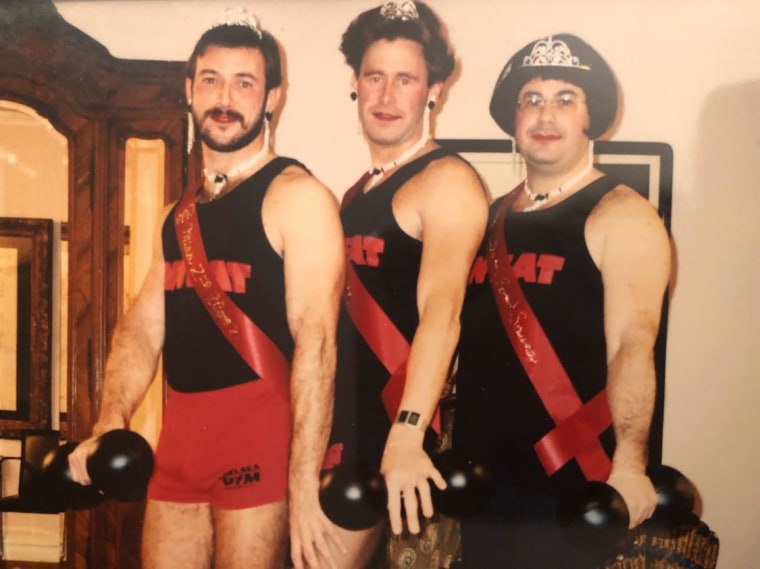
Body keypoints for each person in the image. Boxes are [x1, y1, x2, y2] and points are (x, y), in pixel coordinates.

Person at [67, 9, 345, 569]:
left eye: (245, 83)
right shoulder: (177, 215)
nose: (225, 96)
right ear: (190, 89)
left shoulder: (298, 197)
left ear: (272, 98)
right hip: (181, 441)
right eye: (211, 79)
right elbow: (143, 328)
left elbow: (316, 344)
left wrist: (305, 485)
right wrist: (108, 422)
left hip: (259, 438)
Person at [452, 33, 671, 568]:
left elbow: (631, 345)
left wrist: (630, 464)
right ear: (514, 119)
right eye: (531, 99)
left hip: (569, 487)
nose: (545, 113)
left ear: (590, 117)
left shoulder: (623, 215)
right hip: (482, 486)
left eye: (565, 98)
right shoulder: (490, 215)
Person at [318, 2, 489, 567]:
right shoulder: (358, 192)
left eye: (406, 79)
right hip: (348, 431)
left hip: (404, 434)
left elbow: (443, 313)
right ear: (354, 83)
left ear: (433, 89)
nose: (387, 96)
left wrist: (408, 432)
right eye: (375, 76)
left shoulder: (448, 181)